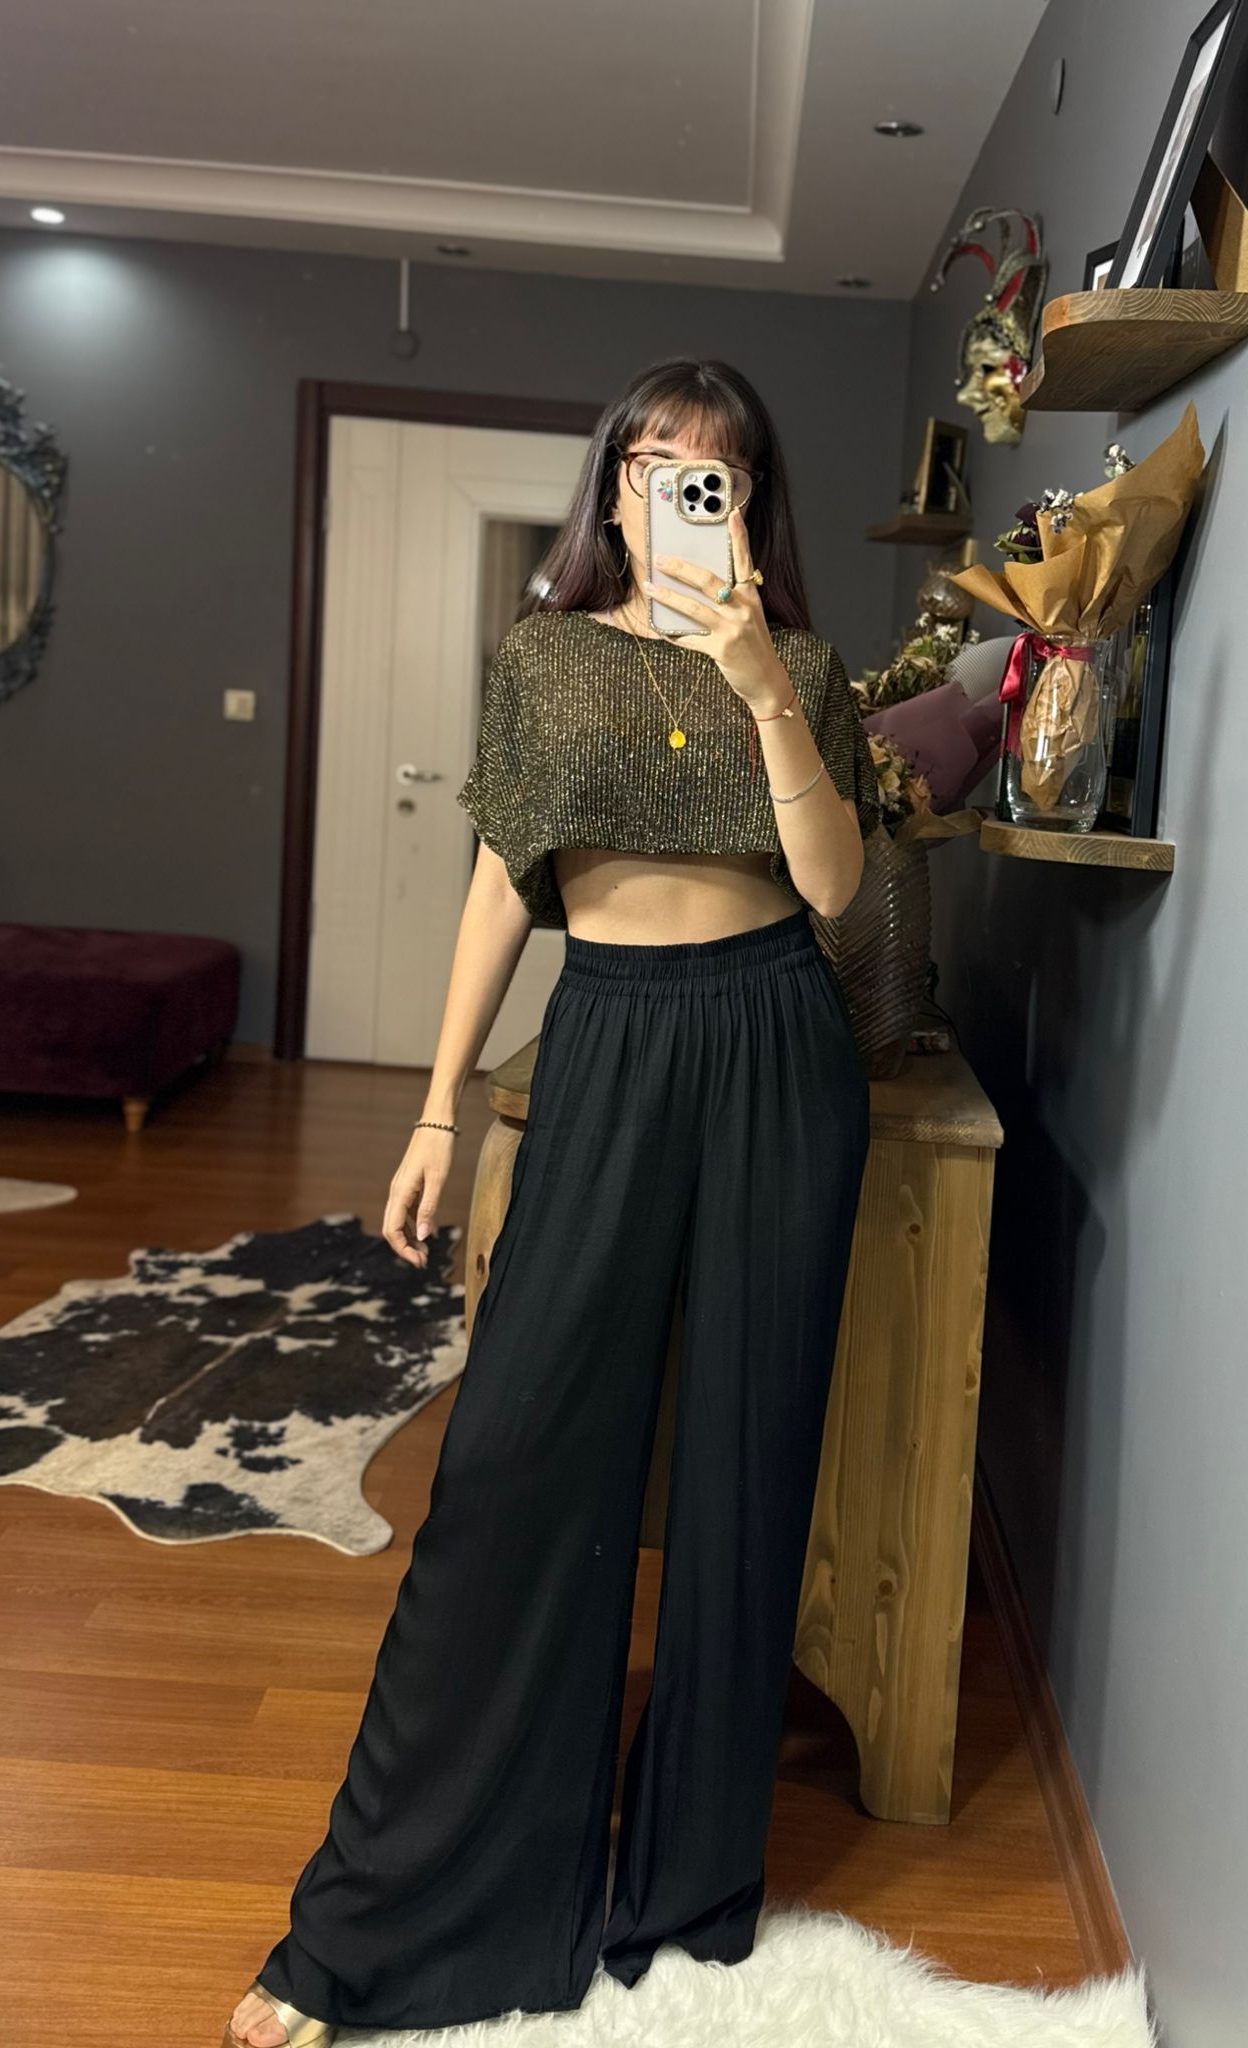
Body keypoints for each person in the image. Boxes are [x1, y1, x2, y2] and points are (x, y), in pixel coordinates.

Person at [224, 356, 880, 2047]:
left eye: (715, 471)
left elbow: (837, 894)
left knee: (745, 1470)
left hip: (778, 1044)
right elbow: (501, 883)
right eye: (656, 463)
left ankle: (686, 1894)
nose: (681, 491)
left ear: (751, 504)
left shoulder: (802, 666)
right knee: (515, 1464)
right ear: (614, 489)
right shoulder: (544, 660)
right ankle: (395, 1920)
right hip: (608, 1040)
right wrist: (437, 1107)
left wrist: (765, 688)